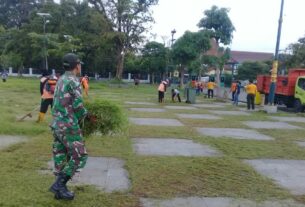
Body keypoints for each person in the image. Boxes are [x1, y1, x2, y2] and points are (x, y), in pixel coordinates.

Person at [49, 53, 88, 200]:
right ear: (76, 66)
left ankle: (60, 192)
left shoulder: (61, 79)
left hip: (56, 123)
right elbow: (78, 106)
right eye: (79, 65)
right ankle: (59, 185)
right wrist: (87, 116)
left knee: (60, 155)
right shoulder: (73, 81)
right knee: (80, 155)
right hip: (68, 124)